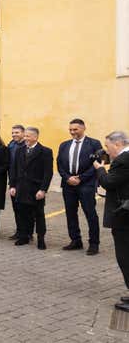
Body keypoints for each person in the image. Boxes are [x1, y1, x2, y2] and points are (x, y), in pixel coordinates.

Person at [94, 131, 129, 312]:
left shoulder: (123, 161)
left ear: (117, 144)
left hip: (124, 217)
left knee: (125, 257)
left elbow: (108, 182)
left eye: (108, 147)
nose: (107, 151)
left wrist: (99, 168)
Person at [57, 119, 103, 255]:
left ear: (83, 128)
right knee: (71, 213)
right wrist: (67, 178)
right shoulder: (64, 145)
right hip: (68, 184)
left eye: (75, 129)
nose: (72, 132)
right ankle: (75, 240)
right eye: (70, 130)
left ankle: (94, 244)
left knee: (90, 213)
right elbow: (59, 163)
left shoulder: (94, 144)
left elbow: (97, 163)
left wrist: (81, 178)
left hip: (86, 184)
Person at [9, 127, 53, 250]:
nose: (25, 138)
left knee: (38, 214)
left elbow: (47, 173)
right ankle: (24, 236)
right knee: (22, 213)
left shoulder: (45, 151)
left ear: (35, 137)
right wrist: (12, 185)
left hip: (36, 189)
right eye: (25, 136)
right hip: (21, 188)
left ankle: (40, 238)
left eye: (28, 136)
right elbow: (14, 169)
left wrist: (43, 189)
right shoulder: (20, 150)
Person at [7, 125, 26, 240]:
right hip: (13, 180)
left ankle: (27, 232)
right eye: (13, 132)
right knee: (16, 207)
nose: (14, 135)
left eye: (17, 132)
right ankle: (19, 231)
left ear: (23, 133)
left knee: (25, 208)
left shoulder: (26, 145)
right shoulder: (11, 145)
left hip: (24, 182)